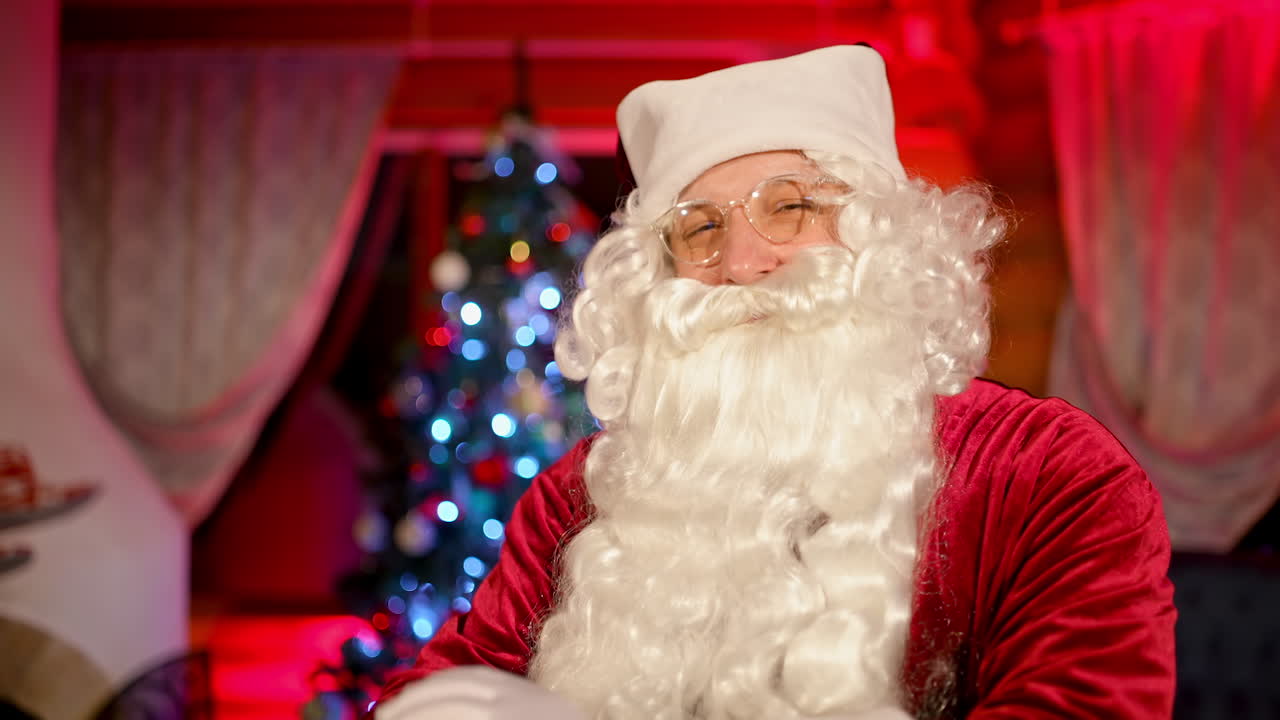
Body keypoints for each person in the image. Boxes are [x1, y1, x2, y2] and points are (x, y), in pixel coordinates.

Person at [375, 45, 1176, 719]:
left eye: (790, 208)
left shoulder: (1049, 476)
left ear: (882, 239)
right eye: (701, 228)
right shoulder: (577, 500)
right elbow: (445, 691)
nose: (744, 263)